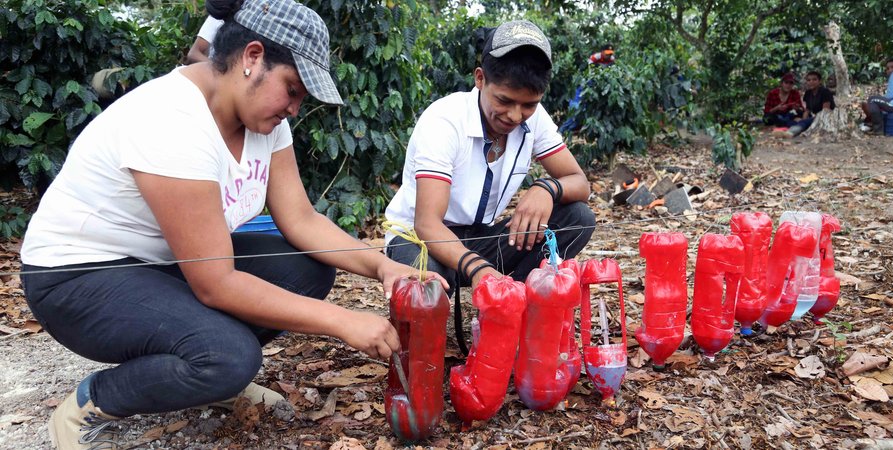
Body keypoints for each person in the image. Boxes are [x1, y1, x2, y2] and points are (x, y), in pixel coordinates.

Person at [20, 1, 445, 449]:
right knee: (227, 357)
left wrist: (382, 267)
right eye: (293, 90)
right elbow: (215, 284)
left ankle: (212, 370)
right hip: (77, 278)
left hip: (160, 264)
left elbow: (300, 219)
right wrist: (344, 322)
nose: (295, 109)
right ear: (253, 57)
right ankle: (92, 402)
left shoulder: (263, 121)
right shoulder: (172, 120)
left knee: (306, 269)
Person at [384, 20, 595, 295]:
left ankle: (516, 303)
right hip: (419, 239)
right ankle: (488, 295)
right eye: (504, 101)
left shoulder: (536, 118)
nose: (515, 116)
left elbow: (580, 182)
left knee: (578, 216)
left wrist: (546, 188)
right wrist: (479, 269)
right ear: (480, 79)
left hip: (481, 238)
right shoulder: (445, 120)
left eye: (529, 105)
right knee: (427, 293)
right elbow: (426, 224)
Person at [776, 70, 835, 138]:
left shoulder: (825, 92)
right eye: (809, 80)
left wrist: (806, 120)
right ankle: (792, 128)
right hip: (814, 116)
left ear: (819, 81)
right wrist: (804, 119)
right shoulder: (808, 93)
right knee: (794, 118)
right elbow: (807, 110)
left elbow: (825, 111)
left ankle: (790, 132)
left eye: (814, 80)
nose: (811, 82)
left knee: (804, 122)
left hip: (825, 118)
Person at [860, 56, 893, 134]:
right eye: (887, 69)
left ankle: (878, 130)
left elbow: (889, 96)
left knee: (872, 99)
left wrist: (882, 99)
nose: (890, 70)